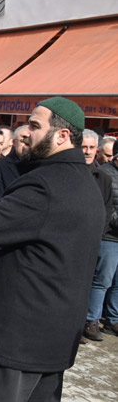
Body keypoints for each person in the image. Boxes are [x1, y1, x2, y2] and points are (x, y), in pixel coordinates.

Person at [0, 97, 105, 401]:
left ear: (62, 135)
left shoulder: (45, 185)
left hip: (15, 342)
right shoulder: (86, 182)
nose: (24, 132)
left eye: (35, 125)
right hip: (53, 340)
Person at [86, 138, 118, 341]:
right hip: (109, 237)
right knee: (102, 281)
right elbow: (106, 207)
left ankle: (113, 320)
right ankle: (91, 320)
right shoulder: (105, 173)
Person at [0, 125, 30, 200]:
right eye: (22, 141)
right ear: (13, 142)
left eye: (30, 141)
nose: (26, 145)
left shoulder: (41, 165)